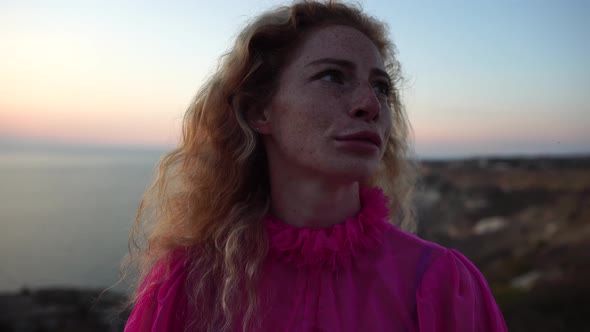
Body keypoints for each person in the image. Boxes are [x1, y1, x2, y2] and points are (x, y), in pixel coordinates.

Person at [123, 1, 508, 331]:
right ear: (260, 111)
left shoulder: (438, 282)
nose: (370, 105)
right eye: (332, 76)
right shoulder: (190, 282)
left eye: (381, 87)